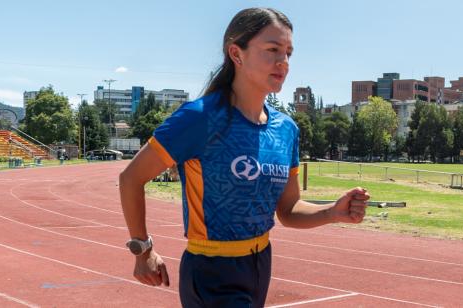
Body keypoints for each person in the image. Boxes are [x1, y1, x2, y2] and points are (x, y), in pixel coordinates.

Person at [119, 8, 370, 308]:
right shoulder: (200, 119)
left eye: (289, 52)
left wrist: (333, 212)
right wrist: (142, 249)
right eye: (272, 50)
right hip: (212, 272)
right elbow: (131, 177)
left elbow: (288, 210)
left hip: (260, 265)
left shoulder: (285, 129)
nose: (284, 62)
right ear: (236, 54)